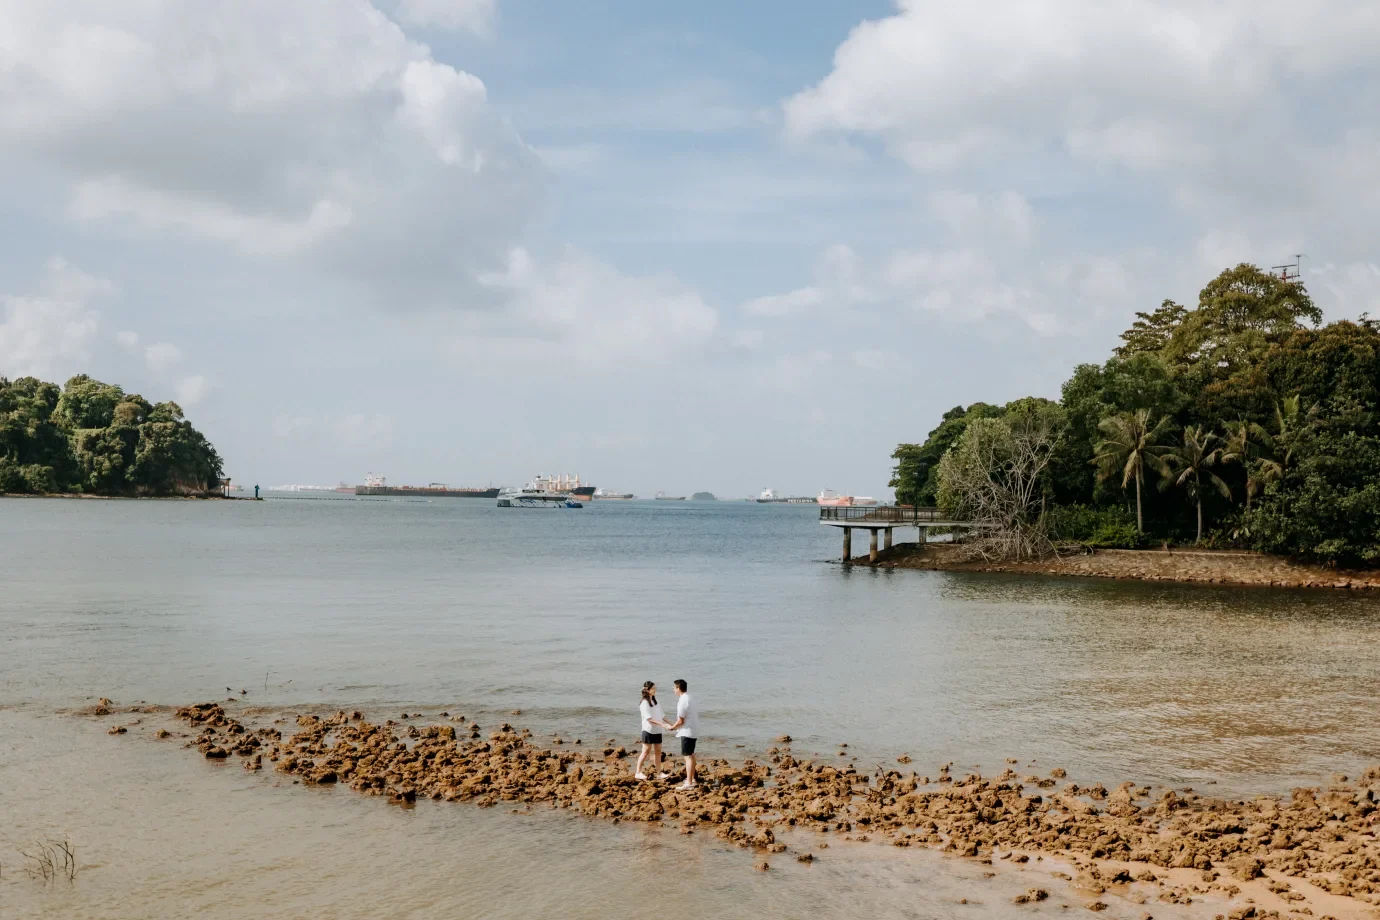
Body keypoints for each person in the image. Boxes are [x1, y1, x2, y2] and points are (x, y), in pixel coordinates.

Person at [665, 678, 699, 789]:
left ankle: (689, 783)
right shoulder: (690, 698)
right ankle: (692, 779)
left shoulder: (682, 701)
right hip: (693, 730)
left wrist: (672, 728)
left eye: (674, 688)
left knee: (687, 757)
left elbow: (681, 720)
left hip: (687, 731)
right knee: (691, 754)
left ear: (678, 688)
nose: (673, 690)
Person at [635, 680, 671, 781]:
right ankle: (638, 772)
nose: (655, 690)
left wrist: (671, 725)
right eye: (653, 688)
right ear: (647, 690)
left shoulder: (655, 701)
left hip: (657, 730)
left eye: (655, 688)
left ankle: (659, 773)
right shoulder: (644, 703)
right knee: (645, 752)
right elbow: (649, 719)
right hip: (648, 730)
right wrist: (663, 725)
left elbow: (662, 715)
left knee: (658, 752)